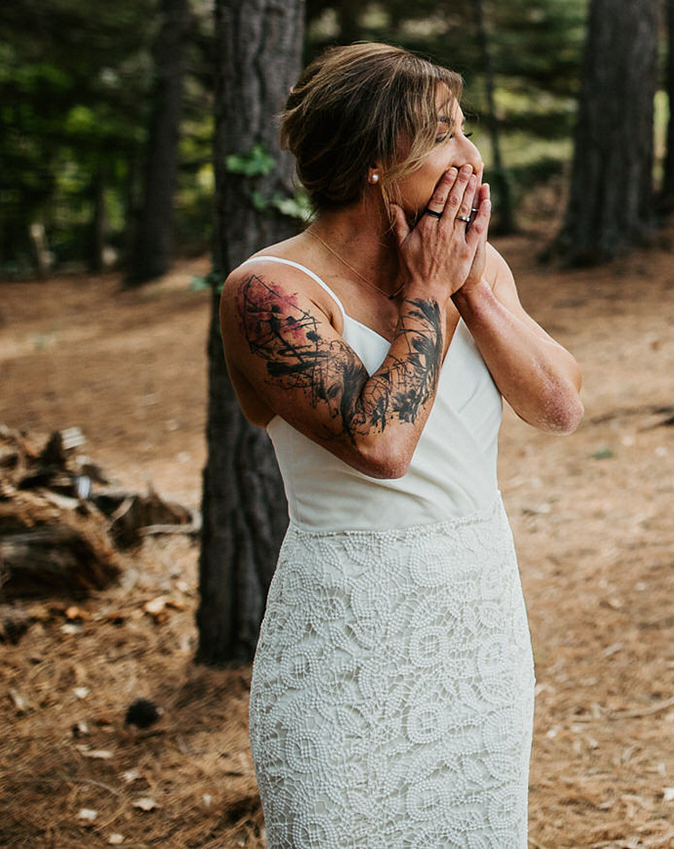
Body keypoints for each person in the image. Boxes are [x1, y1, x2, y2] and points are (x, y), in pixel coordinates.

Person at [218, 43, 583, 847]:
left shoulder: (469, 268)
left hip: (477, 623)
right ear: (377, 160)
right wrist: (424, 292)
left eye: (466, 127)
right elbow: (382, 445)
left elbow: (558, 405)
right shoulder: (269, 291)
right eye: (444, 134)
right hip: (345, 645)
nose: (471, 155)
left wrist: (468, 284)